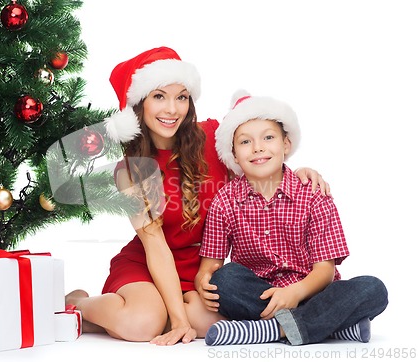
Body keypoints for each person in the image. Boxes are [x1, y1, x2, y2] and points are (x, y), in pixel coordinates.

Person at [65, 47, 329, 346]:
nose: (172, 109)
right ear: (139, 103)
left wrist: (297, 169)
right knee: (141, 325)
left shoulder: (214, 136)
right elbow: (155, 246)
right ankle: (79, 305)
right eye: (159, 96)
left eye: (181, 97)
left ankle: (151, 312)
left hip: (203, 266)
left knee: (213, 322)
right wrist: (178, 320)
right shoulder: (130, 170)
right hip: (150, 261)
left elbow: (258, 154)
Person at [196, 90, 388, 346]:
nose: (258, 148)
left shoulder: (312, 194)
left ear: (285, 145)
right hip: (260, 296)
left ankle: (271, 331)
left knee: (373, 289)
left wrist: (295, 293)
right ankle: (332, 326)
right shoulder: (225, 201)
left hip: (314, 292)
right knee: (225, 280)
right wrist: (204, 279)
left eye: (268, 137)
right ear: (233, 153)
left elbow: (325, 271)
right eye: (245, 142)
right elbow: (211, 266)